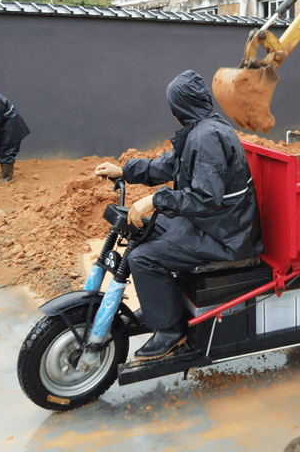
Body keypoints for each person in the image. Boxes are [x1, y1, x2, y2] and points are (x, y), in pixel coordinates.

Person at [95, 70, 263, 361]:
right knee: (147, 229)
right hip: (218, 223)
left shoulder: (208, 137)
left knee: (142, 257)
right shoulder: (203, 129)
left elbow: (206, 199)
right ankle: (158, 303)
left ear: (180, 107)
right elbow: (167, 166)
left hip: (226, 235)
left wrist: (155, 200)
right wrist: (124, 171)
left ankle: (171, 330)